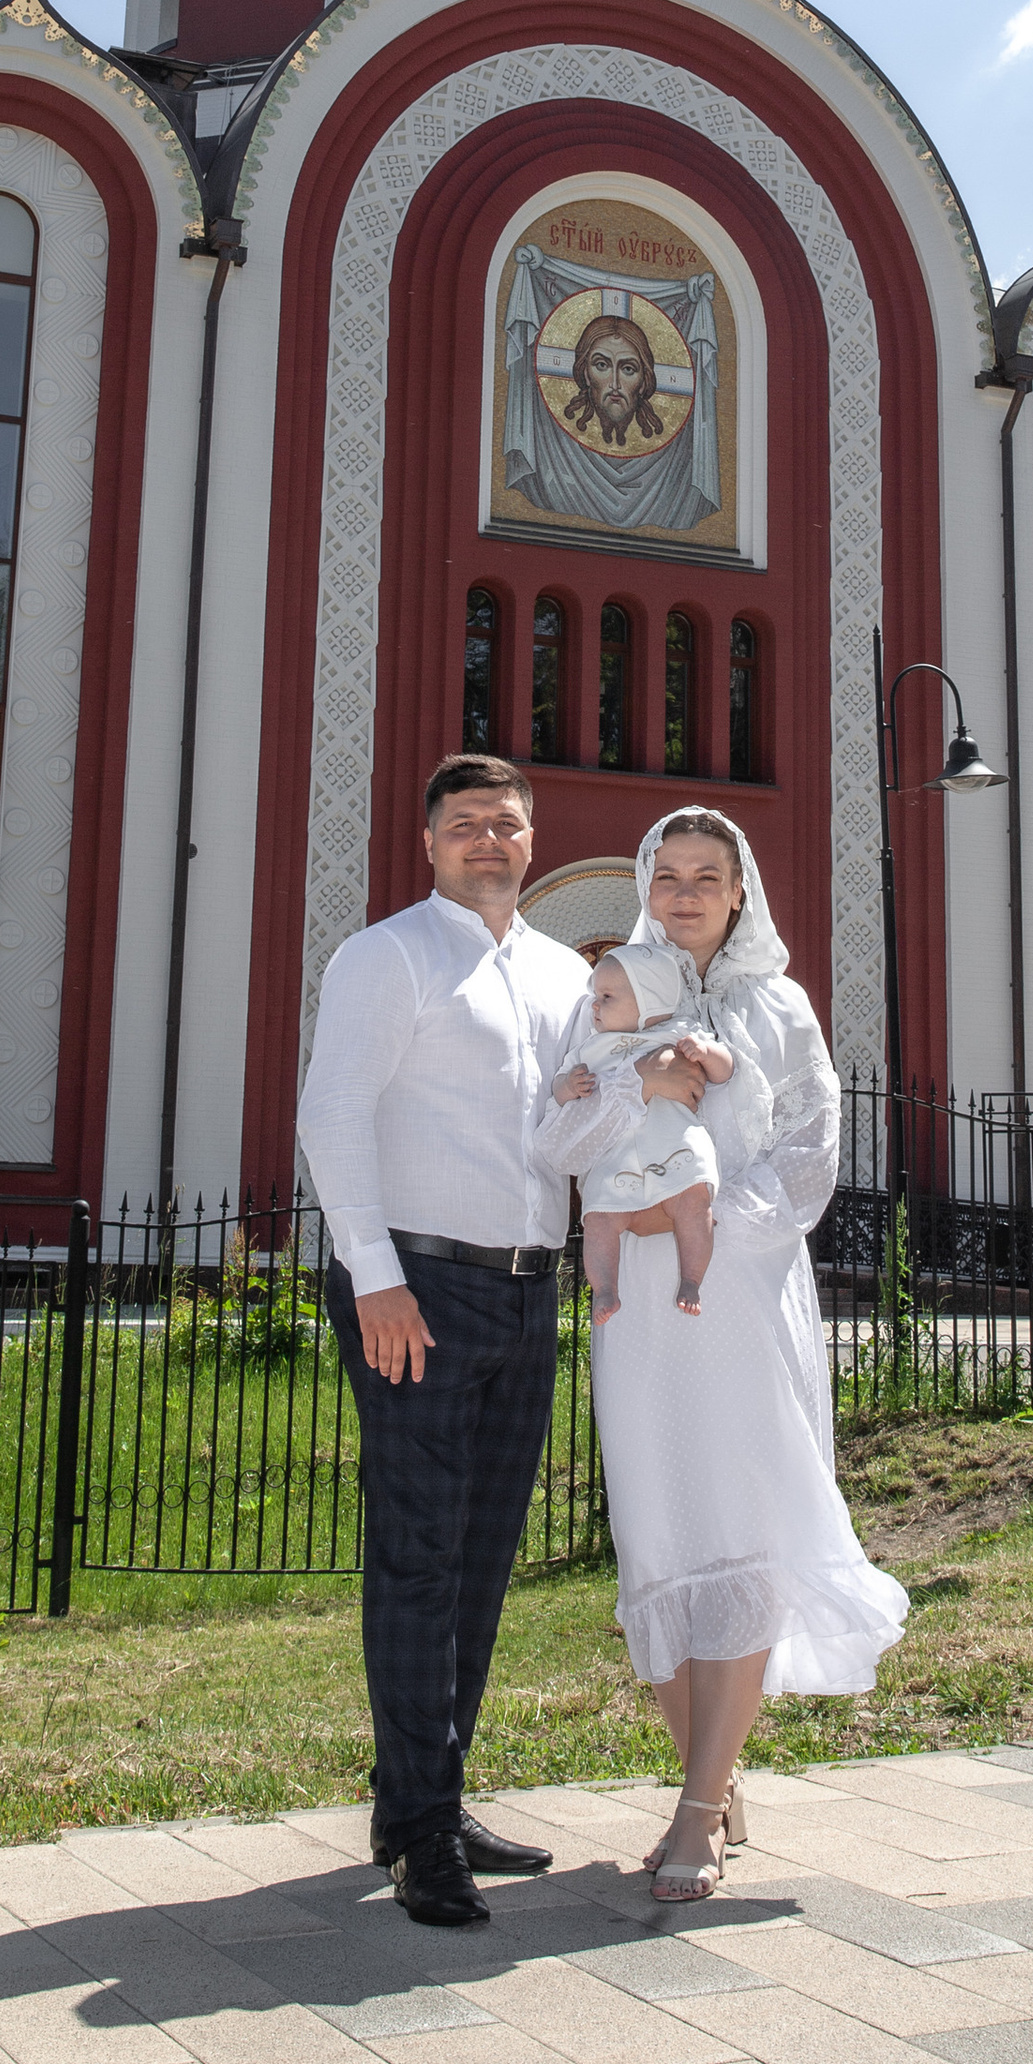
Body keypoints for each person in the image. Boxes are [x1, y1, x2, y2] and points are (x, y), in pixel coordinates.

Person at [295, 754, 709, 1928]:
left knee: (481, 1559)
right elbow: (330, 1115)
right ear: (429, 842)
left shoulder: (555, 976)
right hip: (414, 1287)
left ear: (533, 845)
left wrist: (638, 1092)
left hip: (525, 1294)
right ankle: (420, 1836)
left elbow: (564, 1144)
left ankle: (428, 1794)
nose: (489, 840)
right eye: (467, 824)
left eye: (507, 825)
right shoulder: (387, 956)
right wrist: (373, 1281)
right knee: (419, 1555)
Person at [529, 808, 907, 1903]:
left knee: (740, 1529)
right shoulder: (605, 998)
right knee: (659, 1537)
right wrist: (629, 1086)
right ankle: (715, 1771)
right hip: (634, 1312)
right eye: (669, 875)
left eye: (709, 876)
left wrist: (690, 1216)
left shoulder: (779, 1008)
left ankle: (698, 1810)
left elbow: (810, 1160)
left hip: (736, 1288)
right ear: (644, 887)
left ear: (741, 892)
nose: (687, 894)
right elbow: (552, 1141)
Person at [556, 940, 740, 1318]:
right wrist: (567, 1087)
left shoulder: (679, 1033)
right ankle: (605, 1288)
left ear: (649, 1002)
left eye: (607, 996)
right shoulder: (591, 1049)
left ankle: (691, 1278)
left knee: (694, 1204)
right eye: (595, 995)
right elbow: (560, 1089)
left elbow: (726, 1070)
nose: (594, 1005)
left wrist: (707, 1054)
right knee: (599, 1219)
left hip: (676, 1150)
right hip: (616, 1160)